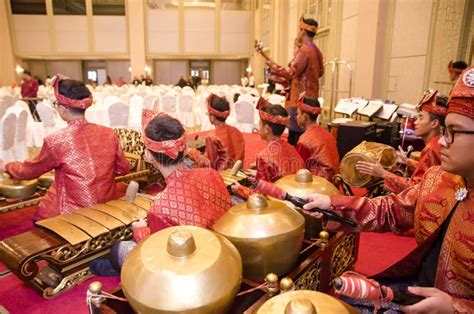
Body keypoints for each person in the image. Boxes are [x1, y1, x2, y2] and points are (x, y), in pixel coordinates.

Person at [302, 67, 474, 313]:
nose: (444, 141)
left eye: (454, 132)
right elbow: (391, 210)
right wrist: (333, 205)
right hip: (415, 291)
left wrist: (456, 308)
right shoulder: (440, 178)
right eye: (445, 130)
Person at [91, 109, 232, 275]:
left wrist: (141, 230)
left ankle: (115, 268)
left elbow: (159, 258)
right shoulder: (211, 174)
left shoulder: (160, 209)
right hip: (223, 250)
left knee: (118, 250)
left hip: (195, 268)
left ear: (149, 156)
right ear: (185, 150)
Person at [0, 74, 131, 220]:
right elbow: (123, 168)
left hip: (74, 212)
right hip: (107, 204)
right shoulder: (109, 133)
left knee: (45, 208)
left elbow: (28, 171)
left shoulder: (56, 140)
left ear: (63, 109)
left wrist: (7, 165)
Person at [357, 90, 447, 194]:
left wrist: (383, 173)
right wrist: (407, 161)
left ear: (434, 123)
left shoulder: (431, 149)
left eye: (421, 118)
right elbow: (428, 172)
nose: (416, 122)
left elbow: (417, 190)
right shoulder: (437, 143)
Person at [266, 16, 324, 146]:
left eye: (299, 30)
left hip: (300, 99)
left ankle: (296, 163)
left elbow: (292, 72)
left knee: (296, 137)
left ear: (303, 32)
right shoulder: (317, 51)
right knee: (309, 135)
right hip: (313, 99)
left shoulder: (305, 50)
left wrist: (273, 66)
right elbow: (320, 72)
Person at [232, 98, 304, 199]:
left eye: (260, 123)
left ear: (266, 130)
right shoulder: (292, 148)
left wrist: (240, 189)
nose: (258, 125)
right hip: (297, 197)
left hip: (278, 203)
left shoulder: (264, 157)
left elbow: (260, 196)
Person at [187, 94, 245, 171]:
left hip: (222, 177)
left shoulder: (212, 137)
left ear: (212, 118)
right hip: (237, 173)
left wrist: (194, 154)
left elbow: (210, 166)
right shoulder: (236, 131)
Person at [295, 95, 339, 182]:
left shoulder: (305, 140)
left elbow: (300, 169)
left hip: (319, 184)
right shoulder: (327, 133)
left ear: (305, 117)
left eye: (298, 114)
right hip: (335, 181)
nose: (296, 117)